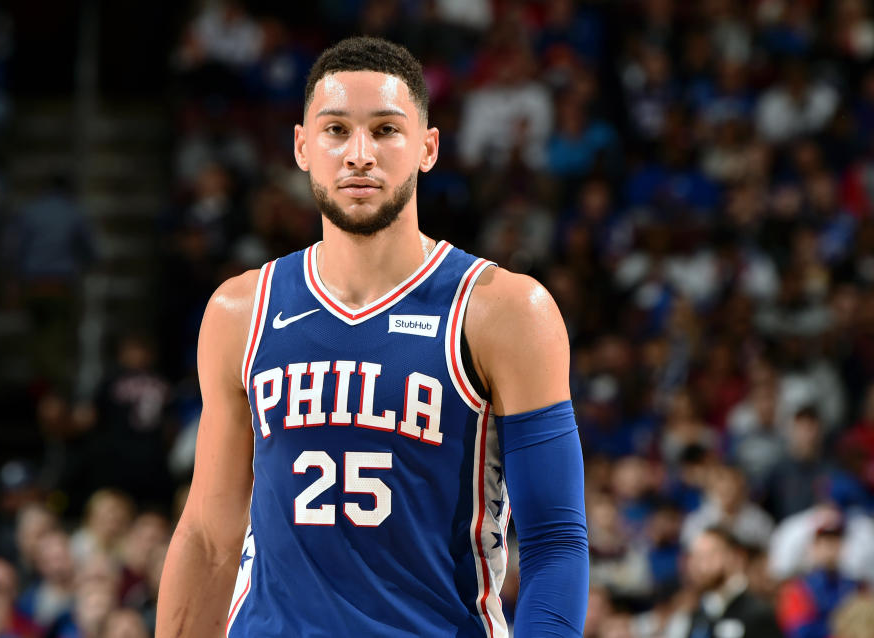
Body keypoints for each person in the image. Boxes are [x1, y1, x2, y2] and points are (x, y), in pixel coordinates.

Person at [155, 36, 588, 637]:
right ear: (302, 146)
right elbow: (207, 537)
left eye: (386, 130)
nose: (360, 154)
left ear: (427, 148)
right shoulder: (241, 309)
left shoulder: (502, 310)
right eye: (335, 130)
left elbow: (556, 543)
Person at [684, 527, 782, 638]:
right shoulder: (697, 614)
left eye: (710, 555)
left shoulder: (757, 613)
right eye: (696, 557)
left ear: (737, 557)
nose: (701, 566)